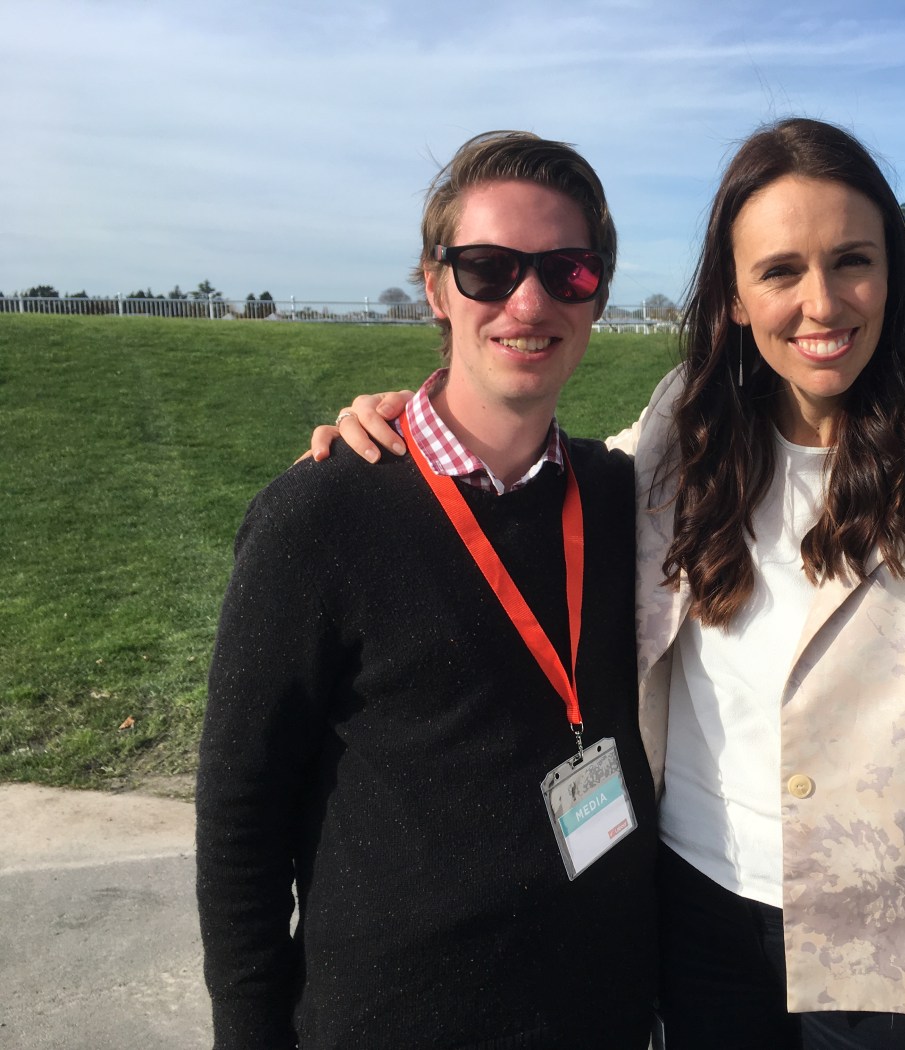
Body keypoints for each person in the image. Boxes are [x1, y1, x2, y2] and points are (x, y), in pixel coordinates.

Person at [318, 117, 905, 1049]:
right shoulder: (682, 433)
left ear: (893, 277)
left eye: (852, 262)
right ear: (734, 297)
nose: (821, 304)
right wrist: (400, 431)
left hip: (878, 957)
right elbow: (538, 477)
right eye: (779, 271)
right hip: (688, 919)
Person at [197, 130, 657, 1050]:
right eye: (489, 268)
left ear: (598, 294)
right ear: (436, 287)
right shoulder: (319, 516)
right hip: (396, 1022)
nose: (529, 301)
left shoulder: (619, 496)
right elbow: (242, 818)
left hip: (601, 1014)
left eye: (567, 271)